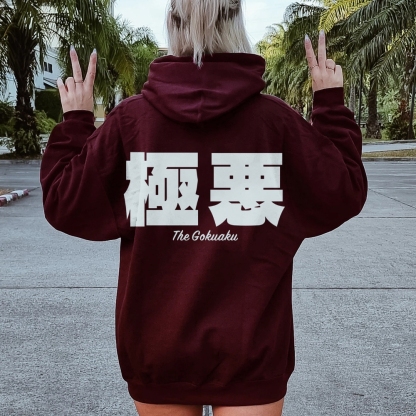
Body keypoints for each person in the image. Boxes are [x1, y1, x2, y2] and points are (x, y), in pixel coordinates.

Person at [40, 0, 368, 415]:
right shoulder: (275, 122)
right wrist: (330, 106)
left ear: (172, 24)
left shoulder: (131, 122)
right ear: (236, 23)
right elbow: (342, 190)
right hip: (252, 347)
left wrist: (75, 122)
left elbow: (65, 202)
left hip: (157, 346)